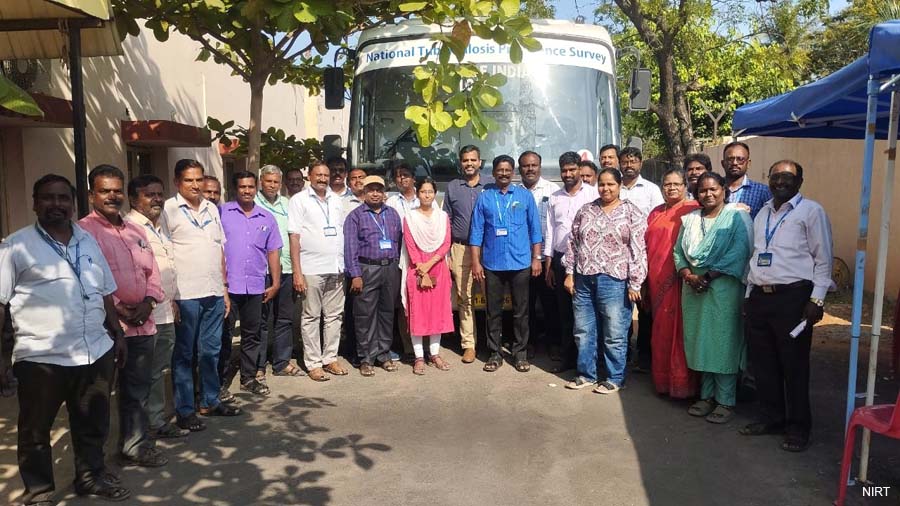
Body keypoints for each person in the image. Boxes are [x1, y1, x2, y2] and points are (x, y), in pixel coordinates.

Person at [1, 174, 131, 504]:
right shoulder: (14, 246)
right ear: (35, 203)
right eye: (48, 198)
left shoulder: (87, 240)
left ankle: (90, 477)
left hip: (94, 349)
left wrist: (116, 332)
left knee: (92, 422)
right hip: (43, 355)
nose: (56, 204)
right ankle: (40, 490)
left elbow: (103, 290)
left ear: (73, 204)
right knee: (35, 429)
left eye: (62, 198)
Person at [741, 160, 833, 453]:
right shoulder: (763, 213)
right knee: (764, 363)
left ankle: (797, 427)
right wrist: (748, 294)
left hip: (793, 299)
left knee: (793, 365)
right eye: (776, 176)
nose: (781, 182)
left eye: (788, 177)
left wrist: (817, 300)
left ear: (799, 181)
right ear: (768, 180)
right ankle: (772, 418)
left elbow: (823, 258)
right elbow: (757, 255)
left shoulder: (811, 211)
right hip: (759, 298)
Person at [79, 165, 167, 468]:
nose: (112, 196)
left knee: (138, 391)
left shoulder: (135, 229)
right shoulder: (83, 232)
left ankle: (135, 445)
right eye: (105, 190)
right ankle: (93, 464)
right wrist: (119, 308)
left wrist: (149, 300)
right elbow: (88, 277)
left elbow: (151, 270)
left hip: (143, 324)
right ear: (92, 195)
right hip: (107, 328)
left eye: (117, 190)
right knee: (99, 397)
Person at [162, 159, 240, 433]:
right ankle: (184, 410)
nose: (195, 185)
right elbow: (164, 253)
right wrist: (170, 296)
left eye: (198, 180)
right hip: (185, 293)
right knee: (185, 354)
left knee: (211, 350)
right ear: (177, 182)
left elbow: (219, 250)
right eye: (189, 180)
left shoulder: (211, 208)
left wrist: (225, 289)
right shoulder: (168, 210)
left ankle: (209, 400)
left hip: (214, 292)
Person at [673, 172, 753, 424]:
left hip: (723, 288)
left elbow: (739, 252)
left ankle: (725, 400)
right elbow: (678, 253)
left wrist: (707, 276)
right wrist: (688, 275)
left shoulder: (735, 217)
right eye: (702, 190)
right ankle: (706, 396)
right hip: (694, 290)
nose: (708, 194)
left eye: (713, 189)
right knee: (701, 342)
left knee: (724, 343)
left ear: (723, 190)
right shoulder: (690, 220)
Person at [563, 168, 647, 393]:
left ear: (619, 186)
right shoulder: (586, 210)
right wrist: (569, 273)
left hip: (615, 280)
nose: (605, 188)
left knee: (614, 332)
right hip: (584, 279)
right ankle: (586, 374)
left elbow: (638, 250)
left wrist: (635, 283)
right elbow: (573, 243)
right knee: (583, 330)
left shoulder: (631, 213)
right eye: (602, 184)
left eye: (611, 184)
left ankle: (615, 377)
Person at [125, 175, 190, 439]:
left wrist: (172, 300)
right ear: (133, 199)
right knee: (141, 374)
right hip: (142, 314)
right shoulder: (129, 228)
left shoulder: (159, 226)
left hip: (164, 309)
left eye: (159, 194)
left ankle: (155, 420)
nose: (157, 199)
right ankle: (143, 428)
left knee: (157, 370)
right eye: (149, 194)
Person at [470, 155, 542, 373]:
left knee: (522, 311)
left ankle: (520, 355)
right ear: (493, 173)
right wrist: (476, 262)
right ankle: (494, 353)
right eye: (499, 170)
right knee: (493, 311)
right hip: (492, 263)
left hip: (520, 262)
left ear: (513, 172)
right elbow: (476, 232)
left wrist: (536, 258)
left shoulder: (524, 196)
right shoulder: (485, 197)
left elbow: (535, 230)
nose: (503, 173)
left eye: (507, 170)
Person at [221, 171, 283, 396]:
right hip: (229, 286)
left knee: (252, 334)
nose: (246, 191)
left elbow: (274, 250)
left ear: (255, 188)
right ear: (235, 189)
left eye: (250, 187)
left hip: (256, 285)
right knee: (224, 336)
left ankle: (248, 377)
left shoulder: (266, 217)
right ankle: (219, 382)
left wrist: (275, 282)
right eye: (242, 187)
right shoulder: (222, 212)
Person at [288, 161, 349, 381]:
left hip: (336, 267)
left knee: (334, 316)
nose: (323, 179)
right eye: (318, 175)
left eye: (326, 175)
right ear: (309, 176)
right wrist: (297, 272)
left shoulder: (336, 200)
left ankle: (330, 358)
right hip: (311, 269)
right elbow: (294, 237)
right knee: (311, 316)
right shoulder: (299, 200)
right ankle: (313, 363)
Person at [644, 169, 700, 398]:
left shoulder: (695, 209)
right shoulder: (655, 212)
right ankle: (663, 382)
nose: (672, 188)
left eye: (677, 183)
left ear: (685, 186)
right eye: (667, 184)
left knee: (682, 333)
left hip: (683, 280)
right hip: (656, 279)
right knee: (661, 333)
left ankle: (685, 385)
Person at [545, 151, 599, 373]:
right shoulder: (554, 197)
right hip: (559, 260)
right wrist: (548, 263)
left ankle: (590, 362)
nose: (568, 174)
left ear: (580, 169)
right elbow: (549, 231)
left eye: (572, 170)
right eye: (564, 170)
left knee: (587, 314)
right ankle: (568, 360)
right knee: (565, 314)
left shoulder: (593, 195)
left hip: (586, 262)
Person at [344, 175, 403, 376]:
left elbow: (399, 242)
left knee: (387, 313)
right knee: (364, 315)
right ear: (364, 192)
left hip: (390, 268)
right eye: (371, 190)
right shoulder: (356, 216)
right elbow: (350, 248)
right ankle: (366, 358)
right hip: (366, 269)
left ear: (384, 192)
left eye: (379, 189)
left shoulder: (393, 214)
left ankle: (383, 355)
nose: (375, 193)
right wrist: (355, 275)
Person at [443, 145, 493, 363]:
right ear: (460, 163)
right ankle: (469, 345)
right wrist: (447, 253)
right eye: (465, 160)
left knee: (493, 296)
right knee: (465, 297)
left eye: (473, 160)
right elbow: (446, 221)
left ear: (480, 162)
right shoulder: (453, 187)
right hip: (461, 249)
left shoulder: (491, 185)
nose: (469, 164)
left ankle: (494, 345)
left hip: (489, 248)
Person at [401, 178, 454, 375]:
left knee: (437, 312)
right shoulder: (410, 217)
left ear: (434, 194)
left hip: (438, 267)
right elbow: (410, 243)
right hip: (416, 268)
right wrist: (420, 267)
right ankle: (419, 357)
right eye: (423, 191)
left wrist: (430, 263)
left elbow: (446, 242)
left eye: (430, 191)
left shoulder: (443, 217)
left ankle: (435, 354)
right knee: (418, 313)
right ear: (417, 193)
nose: (427, 195)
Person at [618, 146, 663, 373]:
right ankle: (623, 354)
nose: (628, 165)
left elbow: (657, 222)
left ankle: (644, 357)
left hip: (645, 256)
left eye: (633, 161)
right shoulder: (614, 188)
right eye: (625, 161)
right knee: (620, 308)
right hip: (617, 258)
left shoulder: (652, 190)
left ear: (640, 163)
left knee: (645, 308)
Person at [255, 165, 303, 378]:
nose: (272, 185)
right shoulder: (253, 204)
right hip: (262, 271)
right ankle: (258, 364)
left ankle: (281, 362)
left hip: (287, 269)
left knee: (285, 319)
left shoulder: (288, 204)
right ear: (260, 182)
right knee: (262, 320)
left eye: (276, 182)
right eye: (268, 181)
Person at [517, 150, 560, 359]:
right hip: (521, 259)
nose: (530, 169)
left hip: (546, 257)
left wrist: (547, 259)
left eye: (534, 165)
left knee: (550, 303)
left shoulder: (552, 190)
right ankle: (530, 342)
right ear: (520, 169)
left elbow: (555, 225)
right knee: (526, 304)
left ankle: (554, 343)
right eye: (526, 166)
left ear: (540, 167)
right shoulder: (514, 192)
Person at [341, 167, 366, 364]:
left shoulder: (379, 201)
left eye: (361, 178)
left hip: (375, 264)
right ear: (349, 183)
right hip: (352, 263)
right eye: (354, 178)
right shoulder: (342, 204)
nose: (358, 181)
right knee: (353, 310)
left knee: (375, 309)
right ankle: (354, 350)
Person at [721, 141, 771, 219]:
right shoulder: (714, 190)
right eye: (730, 159)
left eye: (740, 159)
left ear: (748, 163)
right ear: (723, 163)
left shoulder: (763, 192)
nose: (735, 163)